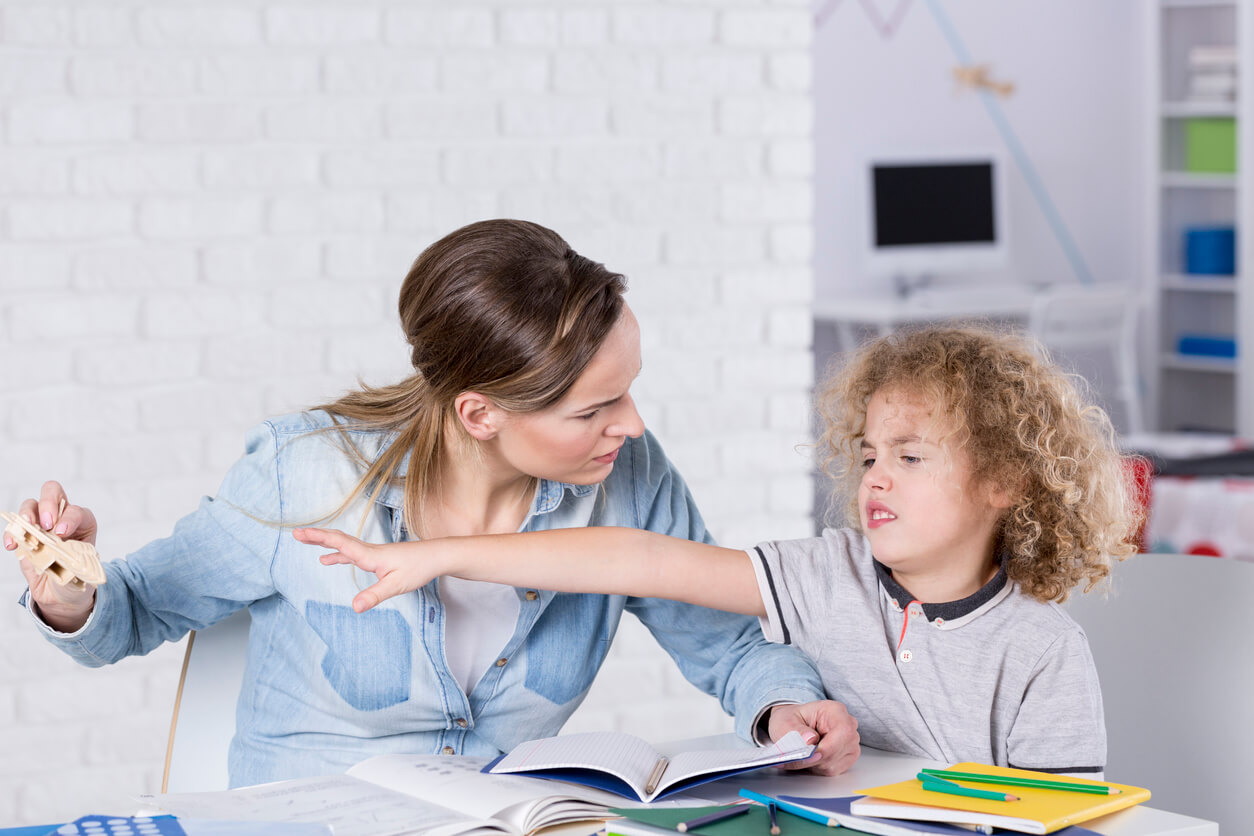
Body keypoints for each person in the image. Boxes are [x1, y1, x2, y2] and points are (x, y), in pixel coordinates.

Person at [4, 219, 860, 788]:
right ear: (479, 413)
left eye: (628, 394)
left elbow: (730, 646)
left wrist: (784, 709)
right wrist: (67, 589)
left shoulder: (627, 481)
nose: (630, 428)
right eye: (594, 410)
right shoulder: (304, 470)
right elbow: (138, 608)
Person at [295, 324, 1143, 775]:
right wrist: (442, 557)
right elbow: (638, 559)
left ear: (1004, 483)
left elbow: (1063, 815)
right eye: (872, 454)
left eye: (912, 458)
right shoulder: (828, 573)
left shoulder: (1041, 652)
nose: (877, 478)